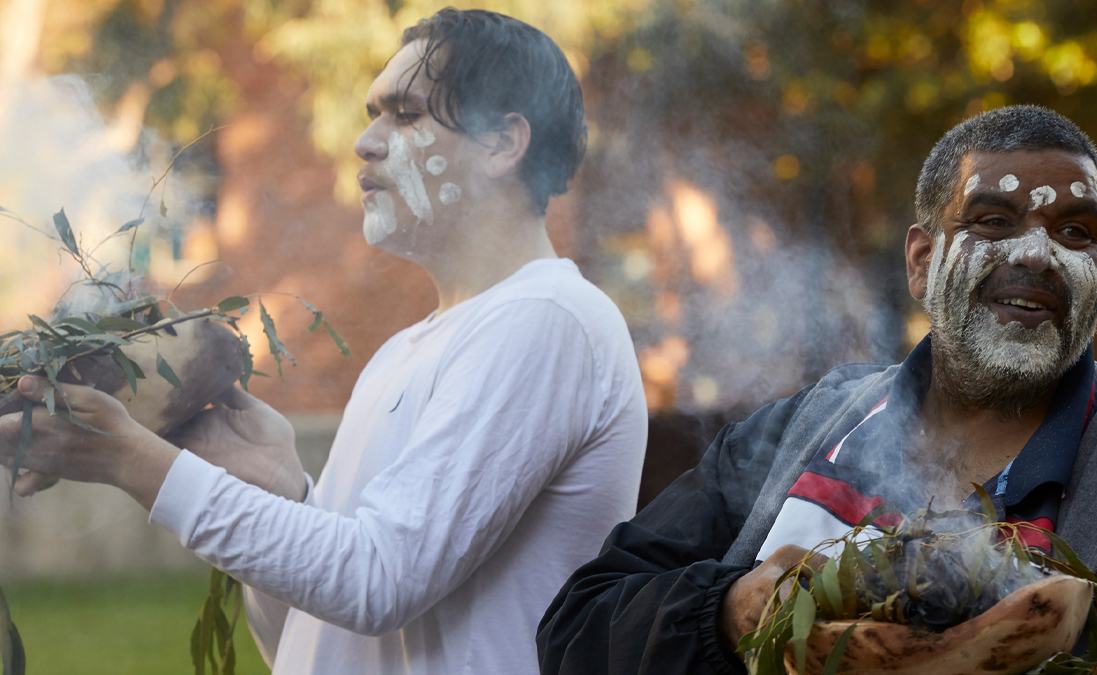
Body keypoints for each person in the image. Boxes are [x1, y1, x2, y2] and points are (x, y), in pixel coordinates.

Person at [0, 9, 647, 675]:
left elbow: (379, 580)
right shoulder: (403, 352)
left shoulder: (549, 318)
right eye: (374, 113)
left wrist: (133, 461)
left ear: (502, 143)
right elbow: (310, 640)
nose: (366, 140)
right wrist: (286, 495)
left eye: (404, 113)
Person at [537, 105, 1097, 675]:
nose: (1036, 254)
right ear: (920, 261)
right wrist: (729, 612)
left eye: (1075, 232)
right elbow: (578, 627)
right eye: (993, 220)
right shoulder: (798, 433)